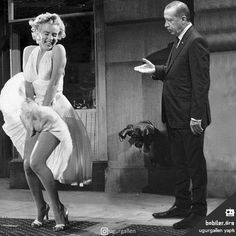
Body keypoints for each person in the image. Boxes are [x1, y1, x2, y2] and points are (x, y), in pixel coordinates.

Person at [0, 12, 92, 232]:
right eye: (46, 34)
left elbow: (53, 84)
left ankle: (58, 209)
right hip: (36, 111)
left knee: (37, 162)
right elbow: (29, 84)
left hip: (54, 111)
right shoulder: (29, 51)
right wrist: (31, 109)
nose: (51, 38)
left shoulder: (59, 51)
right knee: (27, 165)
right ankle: (42, 208)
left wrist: (44, 112)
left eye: (55, 34)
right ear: (36, 33)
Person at [134, 1, 211, 229]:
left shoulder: (196, 41)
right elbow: (178, 73)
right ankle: (181, 205)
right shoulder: (180, 42)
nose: (165, 24)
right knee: (180, 163)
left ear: (183, 19)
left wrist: (196, 116)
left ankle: (198, 212)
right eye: (165, 19)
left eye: (169, 20)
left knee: (194, 164)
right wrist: (156, 70)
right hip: (175, 116)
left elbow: (201, 83)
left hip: (190, 118)